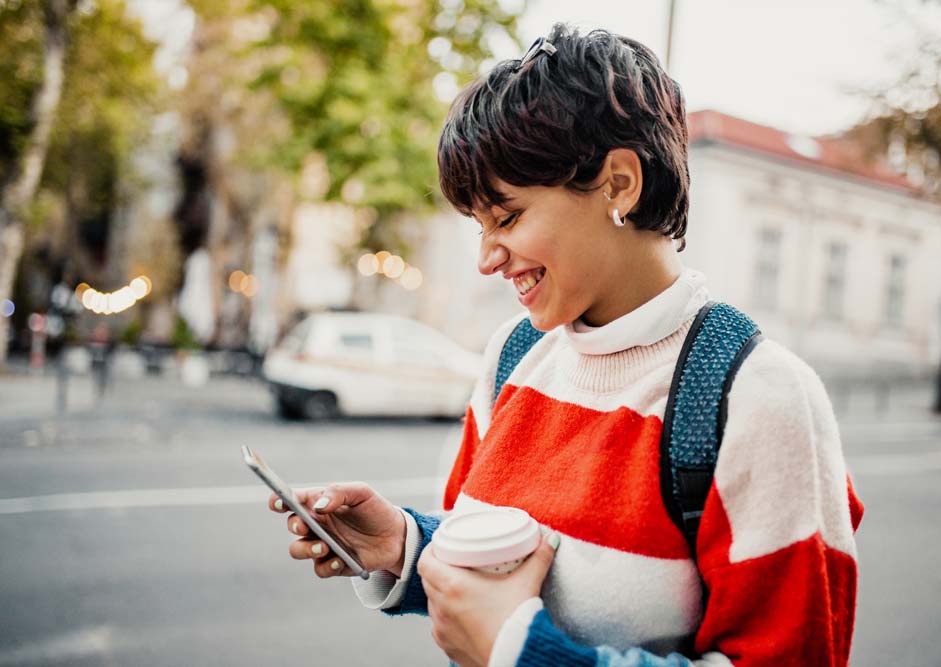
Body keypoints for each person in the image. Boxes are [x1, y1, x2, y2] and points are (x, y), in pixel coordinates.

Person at [268, 23, 864, 667]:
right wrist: (406, 547)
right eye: (477, 226)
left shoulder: (756, 396)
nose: (487, 259)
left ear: (618, 185)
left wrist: (531, 655)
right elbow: (502, 569)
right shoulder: (514, 357)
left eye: (509, 217)